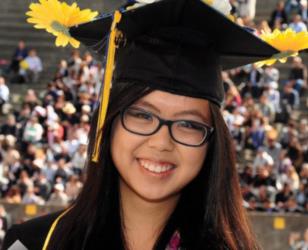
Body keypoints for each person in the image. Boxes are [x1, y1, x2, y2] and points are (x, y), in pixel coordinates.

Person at [3, 0, 298, 249]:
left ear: (213, 144)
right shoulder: (30, 244)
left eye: (189, 124)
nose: (161, 142)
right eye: (142, 115)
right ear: (109, 120)